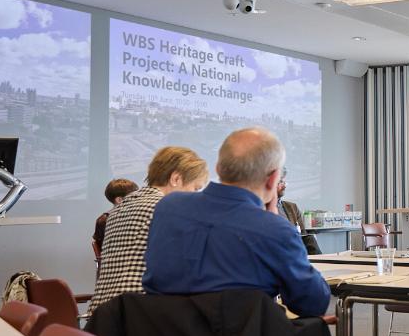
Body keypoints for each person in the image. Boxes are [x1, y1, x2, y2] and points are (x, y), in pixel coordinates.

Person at [142, 127, 330, 318]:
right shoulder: (275, 230)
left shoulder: (168, 207)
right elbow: (313, 303)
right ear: (273, 179)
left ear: (218, 168)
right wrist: (273, 220)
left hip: (165, 334)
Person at [89, 149, 207, 316]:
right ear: (176, 178)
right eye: (195, 188)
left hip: (102, 314)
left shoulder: (119, 209)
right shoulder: (167, 207)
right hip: (139, 314)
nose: (195, 196)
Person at [273, 166, 321, 255]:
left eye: (284, 182)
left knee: (310, 239)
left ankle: (320, 261)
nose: (285, 186)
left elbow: (302, 233)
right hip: (278, 245)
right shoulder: (261, 206)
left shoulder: (292, 207)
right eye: (281, 182)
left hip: (294, 244)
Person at [93, 178, 138, 259]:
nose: (139, 199)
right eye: (134, 197)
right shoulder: (104, 220)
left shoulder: (102, 219)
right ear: (119, 200)